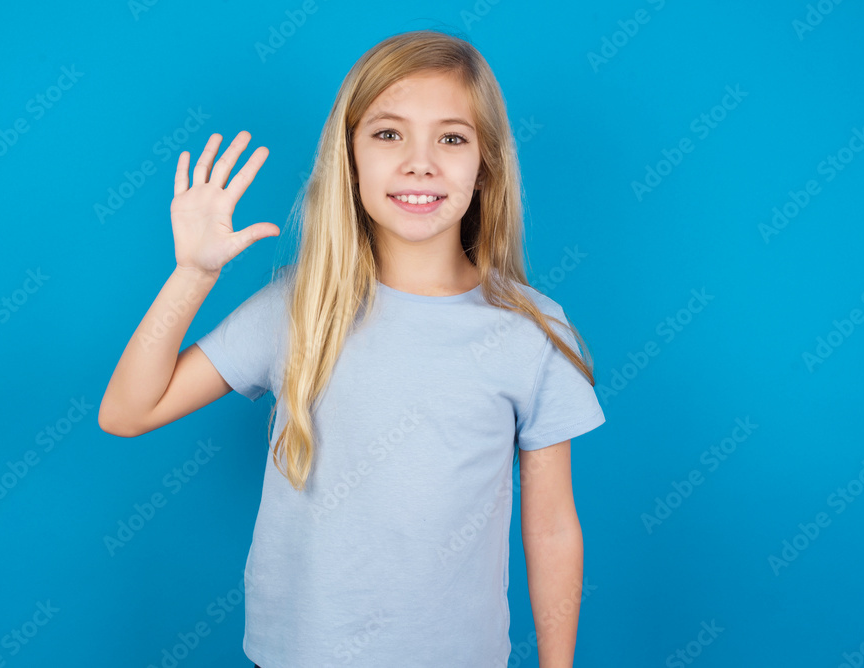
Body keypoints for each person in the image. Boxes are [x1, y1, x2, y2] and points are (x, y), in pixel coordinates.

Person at [99, 28, 606, 667]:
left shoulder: (532, 333)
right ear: (350, 158)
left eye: (452, 138)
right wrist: (193, 275)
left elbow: (553, 525)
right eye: (388, 133)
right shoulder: (298, 308)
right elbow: (126, 412)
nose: (420, 162)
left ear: (485, 167)